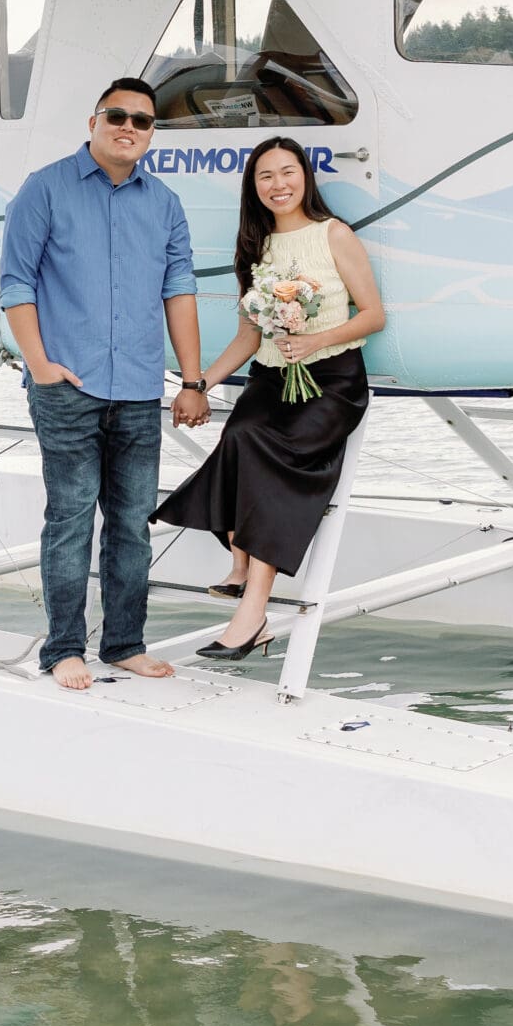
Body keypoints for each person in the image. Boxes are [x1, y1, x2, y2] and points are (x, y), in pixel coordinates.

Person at [0, 78, 212, 690]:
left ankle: (123, 644)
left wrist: (192, 380)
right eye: (117, 116)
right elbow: (16, 282)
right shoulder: (45, 188)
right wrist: (40, 365)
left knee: (131, 526)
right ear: (93, 122)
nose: (128, 127)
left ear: (151, 134)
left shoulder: (164, 203)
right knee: (70, 520)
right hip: (68, 386)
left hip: (139, 390)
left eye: (142, 121)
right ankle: (64, 649)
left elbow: (179, 290)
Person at [151, 136, 385, 658]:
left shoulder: (334, 234)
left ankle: (252, 612)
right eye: (266, 176)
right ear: (253, 187)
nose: (278, 185)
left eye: (287, 172)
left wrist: (316, 340)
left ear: (304, 176)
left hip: (331, 380)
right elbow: (248, 336)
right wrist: (197, 385)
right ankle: (240, 561)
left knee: (264, 450)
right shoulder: (255, 247)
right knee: (240, 434)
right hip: (271, 378)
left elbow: (373, 315)